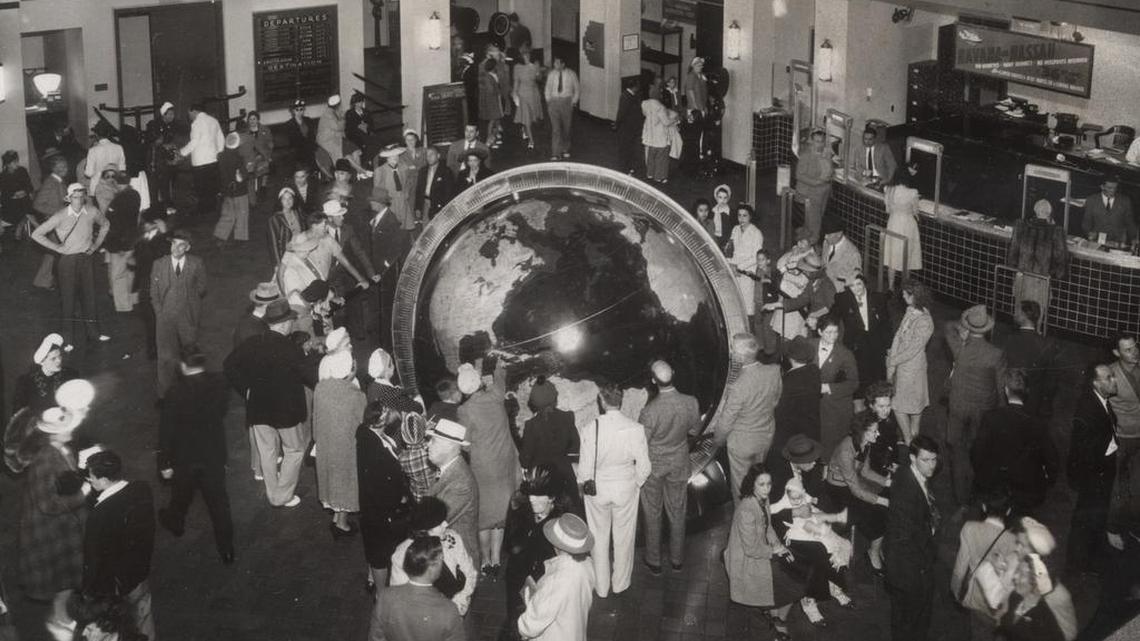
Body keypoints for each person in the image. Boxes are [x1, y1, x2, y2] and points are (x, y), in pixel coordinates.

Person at [223, 300, 307, 508]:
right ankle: (282, 495)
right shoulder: (291, 349)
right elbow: (306, 376)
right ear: (284, 324)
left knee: (267, 451)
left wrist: (246, 389)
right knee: (294, 450)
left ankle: (272, 492)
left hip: (258, 409)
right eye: (290, 321)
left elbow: (229, 364)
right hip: (286, 413)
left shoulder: (252, 342)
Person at [19, 402, 90, 638]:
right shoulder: (45, 460)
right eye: (67, 426)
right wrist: (83, 495)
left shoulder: (62, 449)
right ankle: (59, 621)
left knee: (68, 580)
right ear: (52, 433)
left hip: (62, 528)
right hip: (51, 533)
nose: (73, 428)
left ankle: (62, 617)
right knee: (63, 582)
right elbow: (47, 504)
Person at [157, 348, 235, 564]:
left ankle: (176, 522)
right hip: (213, 455)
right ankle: (227, 549)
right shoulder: (219, 384)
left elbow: (166, 432)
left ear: (182, 366)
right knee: (219, 504)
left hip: (184, 458)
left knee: (181, 494)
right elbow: (221, 412)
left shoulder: (174, 393)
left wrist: (164, 462)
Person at [767, 435, 852, 624]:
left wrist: (819, 506)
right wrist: (795, 512)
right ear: (798, 461)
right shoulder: (778, 475)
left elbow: (814, 492)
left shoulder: (808, 469)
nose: (816, 461)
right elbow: (766, 512)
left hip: (805, 513)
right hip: (784, 525)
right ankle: (809, 600)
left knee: (834, 538)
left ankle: (833, 584)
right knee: (818, 550)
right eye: (811, 460)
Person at [579, 382, 651, 598]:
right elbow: (645, 467)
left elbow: (584, 470)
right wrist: (635, 483)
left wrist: (586, 486)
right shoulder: (635, 428)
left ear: (601, 402)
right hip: (625, 489)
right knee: (624, 539)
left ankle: (601, 587)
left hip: (598, 490)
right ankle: (621, 583)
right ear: (621, 401)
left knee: (598, 539)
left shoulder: (590, 428)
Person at [82, 451, 156, 641]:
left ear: (105, 480)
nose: (89, 480)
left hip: (115, 586)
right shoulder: (142, 489)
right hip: (140, 572)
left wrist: (89, 591)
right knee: (144, 619)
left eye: (91, 477)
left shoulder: (98, 516)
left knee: (119, 627)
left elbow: (94, 559)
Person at [725, 462, 800, 641]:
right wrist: (775, 551)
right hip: (746, 560)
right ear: (752, 485)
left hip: (760, 551)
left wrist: (780, 546)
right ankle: (774, 627)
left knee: (793, 575)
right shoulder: (747, 510)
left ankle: (775, 618)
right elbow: (750, 549)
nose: (767, 489)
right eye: (761, 484)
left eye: (769, 484)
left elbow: (768, 528)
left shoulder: (762, 500)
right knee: (784, 583)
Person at [456, 359, 518, 576]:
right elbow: (501, 378)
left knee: (484, 516)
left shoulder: (465, 410)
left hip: (483, 468)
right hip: (504, 463)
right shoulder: (495, 395)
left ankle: (484, 562)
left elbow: (464, 442)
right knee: (500, 512)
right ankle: (496, 558)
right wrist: (499, 365)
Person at [33, 182, 114, 348]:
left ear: (85, 196)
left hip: (86, 258)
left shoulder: (91, 211)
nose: (78, 200)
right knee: (68, 300)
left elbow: (105, 224)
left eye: (81, 196)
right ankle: (67, 340)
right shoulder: (60, 215)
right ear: (68, 198)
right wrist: (56, 247)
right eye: (74, 197)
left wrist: (96, 245)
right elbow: (36, 233)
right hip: (67, 261)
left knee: (90, 297)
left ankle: (94, 334)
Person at [638, 360, 700, 574]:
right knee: (677, 511)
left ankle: (654, 561)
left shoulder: (649, 411)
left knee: (652, 512)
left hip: (654, 467)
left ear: (654, 381)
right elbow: (694, 431)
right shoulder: (691, 402)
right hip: (680, 462)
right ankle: (677, 560)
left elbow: (641, 444)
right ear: (673, 373)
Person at [944, 304, 1007, 505]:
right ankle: (976, 493)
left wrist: (964, 322)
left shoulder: (959, 347)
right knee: (977, 450)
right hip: (983, 409)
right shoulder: (996, 354)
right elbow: (1000, 386)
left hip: (958, 404)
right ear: (988, 329)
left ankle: (959, 499)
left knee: (956, 449)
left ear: (969, 328)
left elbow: (947, 326)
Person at [972, 370, 1059, 515]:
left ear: (1006, 390)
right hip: (1026, 491)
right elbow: (1051, 459)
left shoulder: (991, 418)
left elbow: (977, 452)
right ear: (1027, 392)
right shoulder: (1038, 423)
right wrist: (1046, 480)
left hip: (995, 489)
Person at [712, 333, 782, 504]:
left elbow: (726, 420)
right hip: (765, 437)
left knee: (742, 489)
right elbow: (775, 400)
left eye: (733, 350)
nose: (730, 353)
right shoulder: (773, 371)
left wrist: (718, 441)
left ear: (740, 356)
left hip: (742, 444)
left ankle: (745, 524)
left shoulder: (738, 386)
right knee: (760, 483)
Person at [885, 435, 941, 641]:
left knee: (911, 616)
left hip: (914, 562)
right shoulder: (905, 490)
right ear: (912, 458)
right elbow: (905, 536)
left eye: (934, 459)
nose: (931, 466)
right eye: (925, 460)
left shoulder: (910, 474)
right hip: (909, 568)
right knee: (910, 618)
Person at [1067, 362, 1121, 576]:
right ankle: (1080, 563)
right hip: (1093, 476)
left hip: (1098, 474)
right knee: (1087, 518)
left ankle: (1086, 559)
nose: (1114, 380)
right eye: (1108, 378)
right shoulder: (1089, 409)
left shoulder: (1100, 401)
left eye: (1113, 376)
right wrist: (1111, 447)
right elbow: (1085, 450)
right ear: (1096, 383)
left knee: (1092, 516)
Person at [357, 401, 413, 594]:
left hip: (379, 509)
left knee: (378, 551)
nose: (389, 413)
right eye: (386, 412)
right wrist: (400, 499)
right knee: (379, 554)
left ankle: (373, 580)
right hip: (380, 511)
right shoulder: (373, 449)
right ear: (379, 420)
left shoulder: (374, 436)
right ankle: (381, 595)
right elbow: (379, 485)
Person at [826, 412, 892, 573]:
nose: (878, 434)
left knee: (883, 505)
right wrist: (880, 500)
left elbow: (865, 471)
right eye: (874, 431)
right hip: (839, 489)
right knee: (874, 514)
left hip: (853, 482)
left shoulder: (864, 444)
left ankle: (875, 549)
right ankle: (873, 553)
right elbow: (855, 490)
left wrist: (888, 482)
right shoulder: (845, 451)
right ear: (862, 432)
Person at [389, 497, 477, 615]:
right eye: (439, 523)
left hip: (458, 608)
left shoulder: (452, 538)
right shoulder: (403, 554)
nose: (446, 524)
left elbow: (469, 571)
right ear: (424, 530)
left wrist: (460, 602)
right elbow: (400, 597)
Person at [516, 513, 596, 641]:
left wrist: (529, 598)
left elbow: (531, 625)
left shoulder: (557, 579)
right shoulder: (588, 565)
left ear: (556, 545)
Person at [369, 537, 466, 641]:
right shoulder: (448, 609)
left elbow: (376, 637)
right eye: (441, 559)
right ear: (433, 567)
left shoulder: (385, 597)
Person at [949, 490, 1020, 633]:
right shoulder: (1013, 540)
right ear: (1008, 510)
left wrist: (956, 593)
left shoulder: (969, 528)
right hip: (998, 605)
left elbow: (960, 568)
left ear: (984, 507)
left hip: (974, 598)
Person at [314, 350, 367, 537]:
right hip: (346, 447)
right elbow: (362, 425)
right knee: (346, 484)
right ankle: (342, 524)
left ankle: (337, 517)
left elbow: (316, 418)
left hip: (325, 443)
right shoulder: (356, 395)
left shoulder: (321, 388)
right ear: (350, 370)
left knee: (332, 481)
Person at [151, 229, 206, 399]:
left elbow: (201, 287)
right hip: (165, 318)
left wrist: (190, 306)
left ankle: (194, 393)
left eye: (181, 245)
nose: (176, 248)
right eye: (174, 243)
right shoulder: (159, 264)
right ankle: (164, 395)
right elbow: (153, 293)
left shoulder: (196, 264)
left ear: (188, 248)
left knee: (191, 355)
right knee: (165, 358)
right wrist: (160, 313)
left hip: (188, 317)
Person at [426, 418, 481, 569]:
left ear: (449, 446)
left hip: (458, 562)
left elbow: (432, 521)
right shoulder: (448, 469)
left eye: (433, 441)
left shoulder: (460, 484)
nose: (427, 445)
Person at [885, 279, 933, 445]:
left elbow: (914, 349)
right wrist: (893, 353)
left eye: (906, 295)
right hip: (902, 364)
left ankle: (908, 439)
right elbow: (899, 333)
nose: (903, 297)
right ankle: (912, 439)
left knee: (900, 406)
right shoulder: (910, 310)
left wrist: (893, 360)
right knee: (911, 403)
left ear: (915, 296)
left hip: (913, 368)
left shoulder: (925, 321)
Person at [834, 274, 891, 403]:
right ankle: (859, 407)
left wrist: (889, 347)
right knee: (858, 378)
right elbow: (833, 316)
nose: (856, 288)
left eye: (858, 284)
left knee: (877, 376)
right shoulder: (842, 299)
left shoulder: (878, 298)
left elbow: (886, 324)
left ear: (864, 283)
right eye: (851, 286)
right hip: (856, 344)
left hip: (876, 343)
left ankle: (879, 405)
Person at [996, 555, 1077, 641]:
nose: (1014, 577)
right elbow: (1003, 628)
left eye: (1022, 574)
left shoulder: (1045, 620)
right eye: (1017, 571)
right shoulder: (1015, 596)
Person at [519, 377, 580, 487]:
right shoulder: (567, 418)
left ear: (534, 402)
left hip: (542, 482)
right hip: (565, 478)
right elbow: (576, 449)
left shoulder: (531, 425)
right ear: (555, 398)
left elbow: (525, 460)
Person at [1000, 301, 1058, 417]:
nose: (1015, 314)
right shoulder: (1048, 344)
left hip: (1010, 398)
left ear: (1024, 316)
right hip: (1034, 402)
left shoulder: (1010, 340)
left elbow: (1002, 368)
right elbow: (1050, 381)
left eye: (1017, 312)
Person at [1007, 198, 1068, 307]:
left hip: (1022, 276)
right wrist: (1055, 276)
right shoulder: (1056, 231)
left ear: (1035, 211)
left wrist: (1016, 271)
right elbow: (1060, 259)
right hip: (1042, 279)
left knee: (1020, 310)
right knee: (1038, 312)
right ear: (1049, 213)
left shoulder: (1021, 226)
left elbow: (1012, 254)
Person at [815, 315, 860, 456]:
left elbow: (854, 383)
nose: (833, 336)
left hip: (834, 407)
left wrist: (829, 388)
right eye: (829, 332)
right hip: (812, 405)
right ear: (819, 332)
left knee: (831, 445)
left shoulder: (845, 354)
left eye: (835, 332)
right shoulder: (809, 345)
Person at [1109, 332, 1140, 533]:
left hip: (1139, 437)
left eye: (1135, 346)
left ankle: (1133, 525)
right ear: (1116, 352)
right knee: (1116, 487)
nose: (1134, 352)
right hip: (1121, 438)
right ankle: (1112, 528)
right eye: (1127, 350)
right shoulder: (1110, 375)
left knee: (1136, 485)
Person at [770, 336, 821, 456]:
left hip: (792, 435)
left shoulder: (788, 381)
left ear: (791, 358)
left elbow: (779, 412)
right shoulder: (814, 372)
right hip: (810, 430)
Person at [100, 172, 141, 313]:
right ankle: (133, 299)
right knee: (130, 272)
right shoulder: (135, 194)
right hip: (132, 240)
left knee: (117, 275)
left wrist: (118, 245)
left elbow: (115, 224)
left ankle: (123, 306)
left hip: (119, 243)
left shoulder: (119, 200)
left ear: (116, 183)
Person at [31, 154, 69, 290]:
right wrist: (54, 213)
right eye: (62, 166)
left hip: (60, 221)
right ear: (55, 168)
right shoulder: (50, 182)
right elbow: (37, 204)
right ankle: (45, 280)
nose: (66, 168)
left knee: (53, 253)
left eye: (65, 165)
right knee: (53, 252)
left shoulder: (59, 181)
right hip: (55, 222)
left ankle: (44, 280)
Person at [179, 102, 225, 217]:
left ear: (194, 111)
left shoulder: (196, 123)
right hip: (213, 160)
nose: (189, 116)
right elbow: (221, 139)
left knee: (202, 189)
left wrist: (182, 152)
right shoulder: (214, 121)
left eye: (189, 113)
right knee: (211, 188)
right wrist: (218, 152)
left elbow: (194, 142)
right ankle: (212, 210)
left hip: (200, 162)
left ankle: (203, 212)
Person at [883, 165, 924, 288]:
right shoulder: (913, 193)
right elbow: (915, 211)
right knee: (907, 257)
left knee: (892, 257)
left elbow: (887, 210)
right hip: (907, 225)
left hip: (893, 223)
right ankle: (905, 288)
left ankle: (890, 287)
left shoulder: (888, 189)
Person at [796, 129, 835, 243]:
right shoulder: (806, 155)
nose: (819, 144)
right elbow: (799, 175)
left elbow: (829, 169)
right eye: (817, 141)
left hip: (824, 189)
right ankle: (812, 241)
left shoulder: (826, 153)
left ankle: (809, 238)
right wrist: (815, 182)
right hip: (812, 190)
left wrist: (830, 176)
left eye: (822, 141)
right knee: (815, 220)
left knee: (818, 217)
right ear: (811, 141)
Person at [317, 94, 370, 178]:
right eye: (339, 104)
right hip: (328, 140)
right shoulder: (327, 114)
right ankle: (361, 170)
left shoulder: (335, 112)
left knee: (355, 150)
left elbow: (341, 126)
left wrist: (342, 120)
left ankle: (359, 174)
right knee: (346, 154)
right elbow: (338, 127)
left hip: (338, 138)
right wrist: (343, 120)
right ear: (338, 105)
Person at [728, 205, 765, 319]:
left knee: (747, 306)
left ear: (750, 217)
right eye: (739, 215)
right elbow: (731, 250)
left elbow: (756, 257)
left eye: (745, 215)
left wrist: (738, 267)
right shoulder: (735, 229)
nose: (741, 218)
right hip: (733, 270)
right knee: (734, 303)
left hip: (747, 273)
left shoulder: (756, 233)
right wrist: (730, 264)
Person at [213, 132, 250, 246]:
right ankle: (240, 238)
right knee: (242, 214)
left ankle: (220, 236)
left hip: (227, 191)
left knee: (227, 214)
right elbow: (242, 175)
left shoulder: (221, 156)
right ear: (237, 144)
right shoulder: (239, 158)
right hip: (240, 191)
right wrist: (243, 175)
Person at [1082, 175, 1136, 245]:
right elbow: (1086, 222)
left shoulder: (1125, 201)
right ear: (1102, 187)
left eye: (1115, 188)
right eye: (1109, 188)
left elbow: (1130, 223)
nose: (1113, 190)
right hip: (1097, 241)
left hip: (1118, 242)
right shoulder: (1091, 200)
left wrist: (1134, 238)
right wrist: (1089, 233)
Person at [374, 144, 416, 231]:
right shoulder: (380, 171)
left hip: (402, 201)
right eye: (392, 155)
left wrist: (407, 191)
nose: (395, 157)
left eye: (396, 155)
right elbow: (378, 191)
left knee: (404, 227)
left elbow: (409, 180)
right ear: (387, 158)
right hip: (389, 203)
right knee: (392, 228)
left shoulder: (403, 167)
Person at [544, 57, 579, 160]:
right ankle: (555, 152)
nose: (555, 65)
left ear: (563, 64)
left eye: (557, 63)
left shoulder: (571, 74)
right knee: (556, 129)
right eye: (554, 63)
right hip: (554, 102)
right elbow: (547, 88)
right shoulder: (551, 74)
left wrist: (573, 102)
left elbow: (577, 89)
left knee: (566, 128)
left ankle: (566, 149)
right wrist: (548, 101)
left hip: (566, 102)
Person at [238, 110, 273, 204]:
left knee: (264, 163)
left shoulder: (265, 129)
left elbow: (270, 143)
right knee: (250, 165)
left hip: (263, 154)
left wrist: (268, 153)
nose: (252, 121)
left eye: (254, 119)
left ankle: (263, 187)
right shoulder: (245, 131)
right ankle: (251, 193)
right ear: (248, 120)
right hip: (250, 155)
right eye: (250, 119)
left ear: (258, 120)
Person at [84, 121, 127, 193]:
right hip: (114, 187)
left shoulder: (93, 150)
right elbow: (122, 169)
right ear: (109, 134)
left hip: (97, 188)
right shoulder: (119, 148)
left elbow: (89, 173)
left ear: (96, 134)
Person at [414, 146, 454, 221]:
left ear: (438, 156)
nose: (429, 157)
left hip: (439, 205)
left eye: (432, 154)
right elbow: (418, 190)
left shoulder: (446, 171)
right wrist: (418, 207)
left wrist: (442, 210)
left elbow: (449, 194)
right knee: (426, 229)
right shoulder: (422, 171)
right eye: (427, 155)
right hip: (425, 204)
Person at [268, 186, 305, 267]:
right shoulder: (275, 219)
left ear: (294, 200)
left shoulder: (298, 213)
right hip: (285, 256)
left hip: (301, 253)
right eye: (284, 199)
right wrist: (278, 265)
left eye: (290, 198)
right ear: (280, 201)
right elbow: (273, 244)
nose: (288, 201)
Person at [1, 149, 34, 236]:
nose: (17, 164)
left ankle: (20, 226)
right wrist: (14, 195)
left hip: (24, 198)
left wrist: (24, 192)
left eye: (17, 161)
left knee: (25, 203)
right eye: (14, 162)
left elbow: (29, 186)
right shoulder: (3, 176)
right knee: (20, 207)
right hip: (11, 201)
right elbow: (4, 193)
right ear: (7, 164)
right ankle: (21, 226)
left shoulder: (22, 171)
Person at [613, 79, 643, 174]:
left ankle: (628, 167)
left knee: (630, 148)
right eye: (637, 86)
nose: (638, 88)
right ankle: (624, 169)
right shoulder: (625, 96)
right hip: (626, 128)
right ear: (634, 87)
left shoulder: (631, 95)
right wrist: (617, 124)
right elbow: (621, 112)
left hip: (632, 128)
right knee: (625, 148)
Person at [641, 91, 671, 183]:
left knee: (650, 155)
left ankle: (649, 173)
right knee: (661, 156)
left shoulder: (644, 104)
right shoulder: (660, 107)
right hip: (659, 135)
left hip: (649, 133)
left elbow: (644, 114)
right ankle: (659, 176)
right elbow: (666, 122)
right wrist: (675, 119)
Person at [479, 58, 506, 150]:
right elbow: (490, 90)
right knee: (492, 120)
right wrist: (497, 91)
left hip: (495, 99)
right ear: (493, 66)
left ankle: (494, 137)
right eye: (496, 65)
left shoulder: (492, 75)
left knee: (496, 118)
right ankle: (489, 140)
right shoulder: (488, 77)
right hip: (492, 101)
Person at [709, 184, 734, 248]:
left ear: (728, 198)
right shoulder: (712, 212)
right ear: (716, 197)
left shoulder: (731, 212)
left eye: (725, 198)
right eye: (720, 197)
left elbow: (734, 229)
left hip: (727, 242)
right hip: (715, 241)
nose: (722, 200)